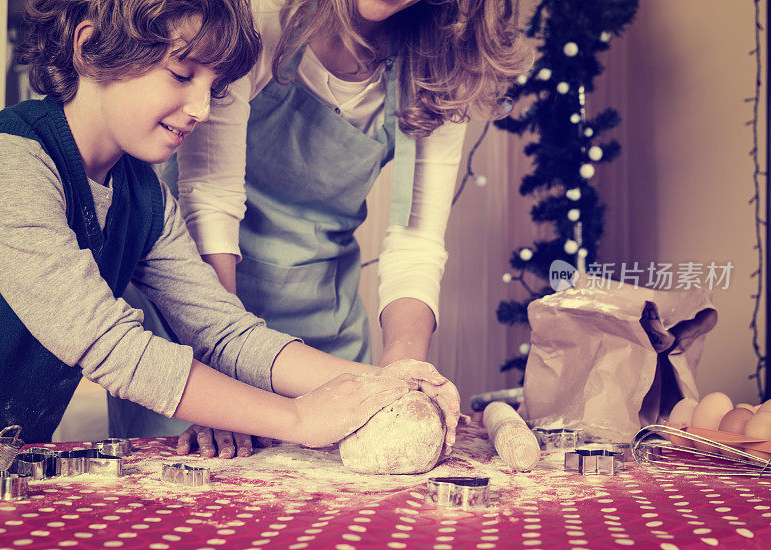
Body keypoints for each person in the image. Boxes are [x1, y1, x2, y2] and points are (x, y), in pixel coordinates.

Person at [0, 0, 460, 448]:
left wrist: (385, 384)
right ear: (89, 46)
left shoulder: (143, 195)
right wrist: (296, 420)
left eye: (214, 88)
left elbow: (224, 331)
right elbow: (110, 344)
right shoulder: (1, 164)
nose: (203, 111)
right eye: (182, 75)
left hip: (0, 460)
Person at [108, 0, 527, 456]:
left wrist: (403, 375)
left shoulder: (443, 62)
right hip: (196, 314)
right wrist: (227, 382)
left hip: (323, 326)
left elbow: (416, 240)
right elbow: (211, 198)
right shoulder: (257, 16)